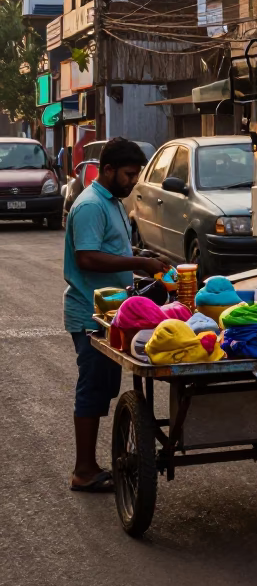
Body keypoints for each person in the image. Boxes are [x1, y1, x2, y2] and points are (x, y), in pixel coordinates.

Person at [63, 137, 167, 492]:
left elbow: (114, 248)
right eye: (128, 174)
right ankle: (84, 470)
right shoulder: (91, 205)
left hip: (112, 312)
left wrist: (143, 258)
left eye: (136, 174)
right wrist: (140, 262)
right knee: (93, 389)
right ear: (107, 170)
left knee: (104, 387)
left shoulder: (114, 203)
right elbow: (87, 257)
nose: (133, 181)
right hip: (89, 313)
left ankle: (90, 465)